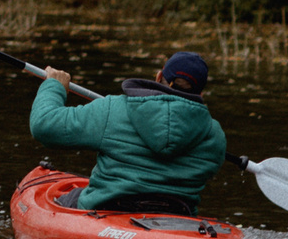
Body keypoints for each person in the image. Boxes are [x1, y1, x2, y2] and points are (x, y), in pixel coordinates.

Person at [29, 51, 228, 215]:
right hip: (178, 215)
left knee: (64, 201)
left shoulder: (112, 109)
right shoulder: (214, 135)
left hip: (107, 208)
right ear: (201, 93)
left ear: (158, 77)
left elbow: (44, 125)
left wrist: (54, 86)